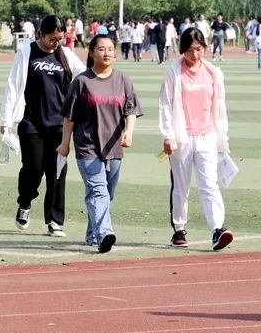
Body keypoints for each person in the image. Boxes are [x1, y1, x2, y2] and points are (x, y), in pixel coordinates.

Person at [0, 14, 87, 237]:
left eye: (59, 39)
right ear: (41, 34)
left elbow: (84, 77)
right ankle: (25, 201)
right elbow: (13, 86)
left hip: (59, 125)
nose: (56, 43)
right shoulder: (26, 52)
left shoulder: (65, 55)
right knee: (34, 168)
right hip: (31, 122)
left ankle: (55, 221)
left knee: (57, 172)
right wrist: (6, 121)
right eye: (52, 38)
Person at [56, 35, 141, 253]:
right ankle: (104, 233)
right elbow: (69, 117)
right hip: (88, 146)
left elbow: (130, 110)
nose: (106, 53)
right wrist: (65, 144)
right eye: (101, 49)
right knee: (98, 191)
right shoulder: (82, 82)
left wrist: (129, 132)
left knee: (107, 194)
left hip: (114, 147)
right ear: (92, 52)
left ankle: (92, 234)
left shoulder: (123, 80)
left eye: (110, 49)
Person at [159, 27, 233, 251]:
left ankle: (217, 229)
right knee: (181, 186)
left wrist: (222, 136)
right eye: (190, 50)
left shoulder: (213, 73)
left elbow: (219, 106)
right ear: (183, 49)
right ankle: (179, 228)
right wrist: (168, 134)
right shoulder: (174, 73)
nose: (195, 54)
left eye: (199, 49)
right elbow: (166, 105)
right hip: (182, 137)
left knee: (209, 184)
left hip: (207, 135)